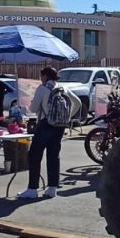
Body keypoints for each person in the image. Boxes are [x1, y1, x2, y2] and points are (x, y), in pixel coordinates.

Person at [18, 67, 81, 199]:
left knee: (34, 155)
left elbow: (34, 108)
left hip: (45, 123)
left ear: (45, 76)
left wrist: (29, 106)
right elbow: (77, 102)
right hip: (60, 125)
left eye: (41, 76)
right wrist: (67, 116)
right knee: (53, 155)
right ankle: (52, 188)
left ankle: (32, 189)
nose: (41, 79)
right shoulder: (62, 88)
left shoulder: (42, 89)